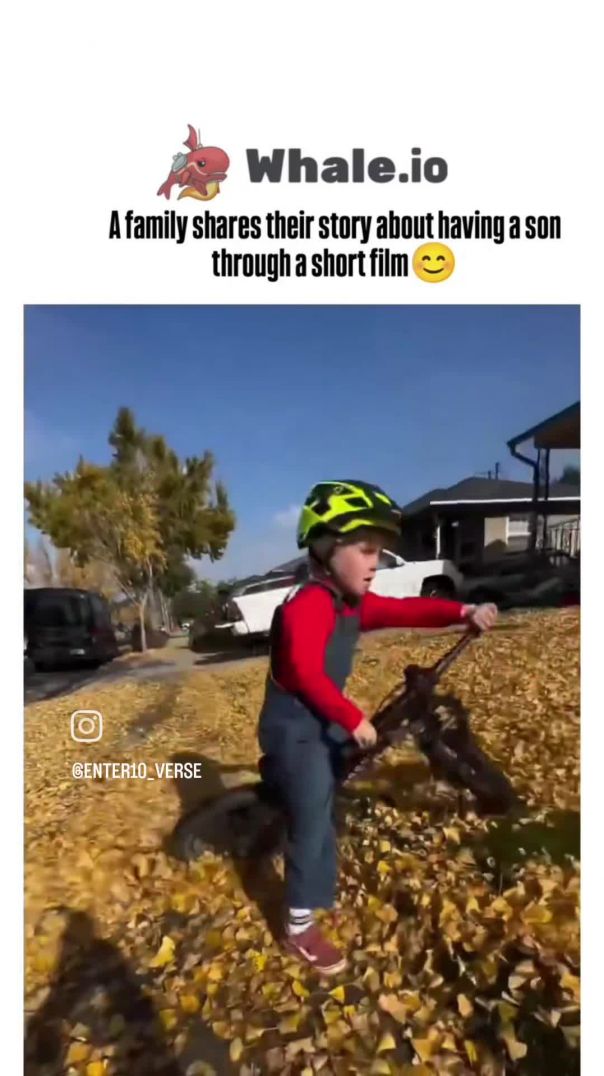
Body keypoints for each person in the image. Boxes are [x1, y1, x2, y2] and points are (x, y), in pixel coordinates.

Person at [257, 480, 497, 975]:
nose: (375, 562)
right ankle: (298, 928)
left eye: (380, 552)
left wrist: (462, 611)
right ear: (326, 548)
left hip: (320, 717)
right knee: (313, 817)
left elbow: (406, 609)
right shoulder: (307, 606)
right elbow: (304, 672)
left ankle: (308, 848)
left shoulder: (349, 603)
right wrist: (350, 717)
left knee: (341, 778)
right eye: (366, 550)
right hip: (293, 728)